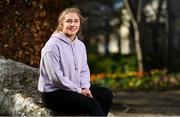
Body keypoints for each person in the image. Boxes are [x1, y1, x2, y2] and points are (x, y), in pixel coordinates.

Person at [38, 7, 113, 116]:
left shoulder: (80, 45)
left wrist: (85, 87)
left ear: (80, 24)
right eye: (68, 21)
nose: (73, 24)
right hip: (54, 94)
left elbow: (84, 70)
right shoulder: (52, 46)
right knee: (92, 104)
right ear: (61, 24)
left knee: (106, 94)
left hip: (75, 89)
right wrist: (79, 91)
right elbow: (56, 79)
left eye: (76, 21)